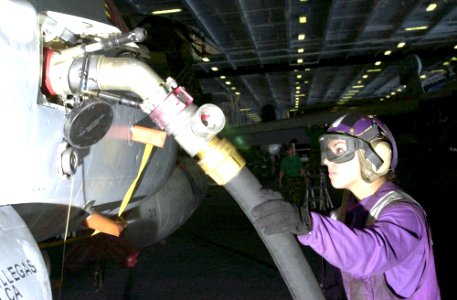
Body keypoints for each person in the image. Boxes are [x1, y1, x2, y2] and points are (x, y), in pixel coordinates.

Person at [252, 113, 441, 299]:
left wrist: (308, 224)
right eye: (327, 150)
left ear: (377, 155)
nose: (326, 160)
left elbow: (371, 253)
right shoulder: (345, 213)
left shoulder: (405, 213)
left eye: (339, 150)